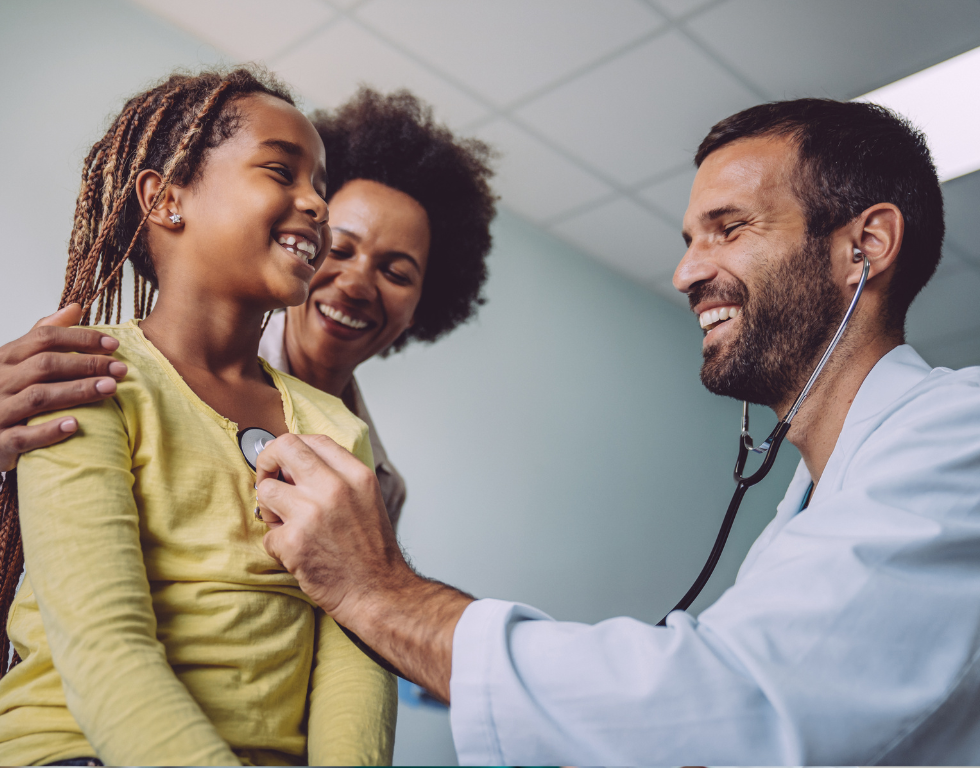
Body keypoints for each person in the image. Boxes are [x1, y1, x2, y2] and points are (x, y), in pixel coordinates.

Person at [249, 98, 980, 765]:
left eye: (728, 229)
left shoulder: (957, 432)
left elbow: (715, 706)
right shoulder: (809, 510)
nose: (686, 272)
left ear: (866, 245)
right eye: (691, 239)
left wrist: (384, 594)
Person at [0, 67, 397, 766]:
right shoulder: (88, 377)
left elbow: (358, 647)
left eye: (321, 185)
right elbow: (104, 644)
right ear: (165, 199)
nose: (317, 205)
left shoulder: (335, 428)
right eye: (281, 172)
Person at [0, 87, 496, 586]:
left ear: (423, 306)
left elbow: (351, 623)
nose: (356, 284)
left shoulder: (374, 478)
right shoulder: (106, 377)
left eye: (396, 273)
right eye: (344, 247)